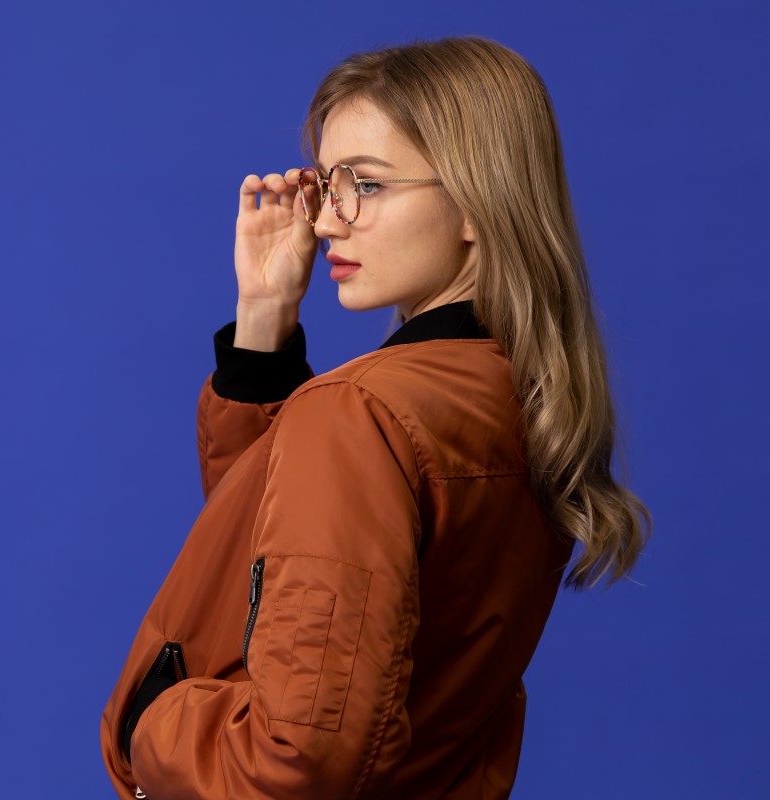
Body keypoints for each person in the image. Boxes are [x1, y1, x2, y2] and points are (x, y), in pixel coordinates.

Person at [100, 35, 650, 799]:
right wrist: (263, 323)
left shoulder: (364, 412)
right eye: (327, 184)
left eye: (366, 183)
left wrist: (151, 720)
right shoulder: (518, 396)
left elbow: (300, 764)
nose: (327, 222)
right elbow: (265, 571)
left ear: (476, 200)